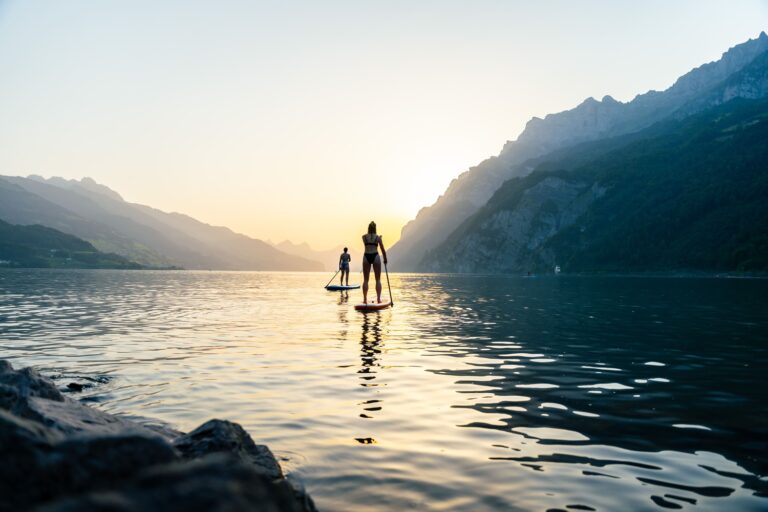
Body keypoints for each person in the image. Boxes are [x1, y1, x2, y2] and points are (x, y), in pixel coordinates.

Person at [361, 221, 388, 303]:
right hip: (375, 256)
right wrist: (385, 259)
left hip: (366, 256)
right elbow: (382, 249)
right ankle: (378, 299)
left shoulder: (364, 237)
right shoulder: (378, 238)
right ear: (375, 228)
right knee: (378, 280)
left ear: (368, 228)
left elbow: (369, 240)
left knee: (365, 280)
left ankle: (365, 299)